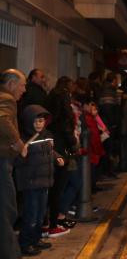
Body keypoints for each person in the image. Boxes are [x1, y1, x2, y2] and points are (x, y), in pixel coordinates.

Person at [15, 105, 64, 256]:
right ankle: (25, 243)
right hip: (31, 183)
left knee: (41, 213)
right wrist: (21, 154)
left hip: (44, 181)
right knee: (31, 214)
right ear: (29, 122)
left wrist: (58, 157)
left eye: (41, 121)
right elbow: (17, 161)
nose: (38, 124)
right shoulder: (23, 139)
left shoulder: (47, 135)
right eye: (35, 121)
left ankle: (36, 239)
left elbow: (50, 150)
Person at [44, 76, 77, 237]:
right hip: (61, 146)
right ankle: (53, 224)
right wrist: (73, 142)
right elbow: (65, 124)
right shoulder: (62, 98)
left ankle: (47, 223)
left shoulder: (52, 96)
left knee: (51, 187)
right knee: (58, 187)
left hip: (55, 142)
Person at [0, 69, 27, 259]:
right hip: (2, 162)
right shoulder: (6, 98)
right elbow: (2, 120)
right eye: (22, 85)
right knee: (6, 210)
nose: (24, 90)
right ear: (11, 84)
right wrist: (18, 143)